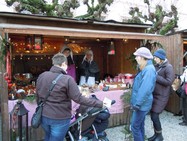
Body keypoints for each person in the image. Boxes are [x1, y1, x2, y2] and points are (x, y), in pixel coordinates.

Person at [36, 53, 104, 141]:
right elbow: (79, 99)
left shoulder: (42, 76)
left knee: (48, 137)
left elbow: (37, 96)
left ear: (54, 63)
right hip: (60, 118)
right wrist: (101, 103)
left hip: (44, 116)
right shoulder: (67, 79)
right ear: (64, 64)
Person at [130, 47, 157, 141]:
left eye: (137, 56)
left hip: (141, 105)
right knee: (140, 125)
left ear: (143, 57)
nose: (136, 58)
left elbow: (144, 89)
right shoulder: (146, 68)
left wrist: (137, 104)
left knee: (134, 127)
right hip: (141, 104)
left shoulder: (149, 70)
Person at [148, 48, 175, 141]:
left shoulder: (168, 67)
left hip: (162, 96)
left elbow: (169, 82)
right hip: (155, 94)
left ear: (161, 58)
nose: (154, 59)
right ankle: (156, 135)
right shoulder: (157, 66)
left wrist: (156, 76)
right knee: (153, 115)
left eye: (156, 58)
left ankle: (160, 136)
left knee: (155, 115)